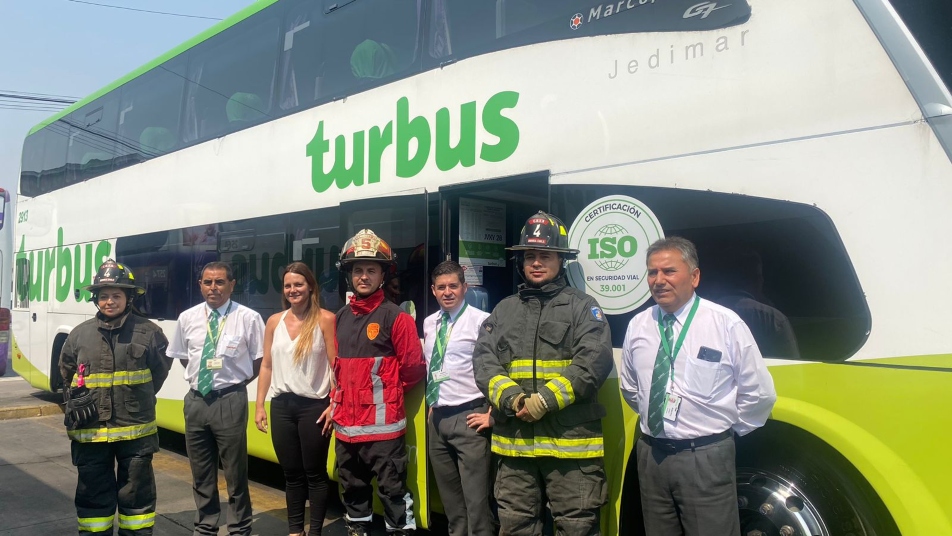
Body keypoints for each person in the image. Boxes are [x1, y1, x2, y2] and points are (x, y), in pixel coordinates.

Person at [619, 237, 777, 536]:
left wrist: (719, 433)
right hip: (652, 456)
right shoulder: (639, 325)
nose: (659, 280)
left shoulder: (724, 324)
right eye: (652, 272)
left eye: (669, 271)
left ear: (694, 276)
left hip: (704, 458)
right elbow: (630, 388)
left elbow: (759, 393)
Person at [473, 211, 614, 536]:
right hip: (515, 448)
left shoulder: (583, 307)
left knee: (577, 529)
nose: (537, 263)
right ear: (522, 262)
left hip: (570, 450)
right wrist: (513, 398)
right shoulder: (504, 310)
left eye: (545, 256)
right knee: (516, 528)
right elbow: (484, 361)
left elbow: (593, 362)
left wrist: (545, 401)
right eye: (530, 256)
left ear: (561, 260)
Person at [59, 259, 171, 535]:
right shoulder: (78, 335)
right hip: (91, 433)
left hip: (135, 432)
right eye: (104, 296)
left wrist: (133, 399)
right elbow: (67, 375)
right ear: (96, 299)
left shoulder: (150, 333)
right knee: (93, 496)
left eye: (116, 296)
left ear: (129, 298)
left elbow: (159, 373)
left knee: (136, 497)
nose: (109, 301)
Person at [331, 229, 426, 536]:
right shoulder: (340, 318)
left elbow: (412, 369)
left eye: (371, 270)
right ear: (349, 275)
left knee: (393, 493)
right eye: (357, 270)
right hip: (346, 428)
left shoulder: (397, 318)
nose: (363, 276)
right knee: (353, 492)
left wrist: (387, 394)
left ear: (383, 274)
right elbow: (337, 371)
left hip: (383, 431)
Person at [167, 261, 265, 536]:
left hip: (230, 400)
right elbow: (183, 357)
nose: (213, 288)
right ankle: (206, 525)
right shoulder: (187, 318)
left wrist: (234, 384)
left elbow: (259, 360)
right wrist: (203, 381)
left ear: (232, 285)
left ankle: (239, 527)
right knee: (201, 472)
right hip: (197, 401)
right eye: (208, 282)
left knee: (235, 472)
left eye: (220, 282)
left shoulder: (248, 318)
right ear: (200, 285)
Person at [254, 262, 338, 536]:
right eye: (288, 285)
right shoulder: (274, 321)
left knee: (315, 473)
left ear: (310, 286)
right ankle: (294, 531)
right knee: (291, 474)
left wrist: (334, 404)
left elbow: (336, 366)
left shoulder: (326, 319)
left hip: (314, 406)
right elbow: (266, 365)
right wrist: (259, 406)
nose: (293, 290)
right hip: (281, 407)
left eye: (299, 284)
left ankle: (314, 531)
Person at [423, 261, 494, 536]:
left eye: (453, 286)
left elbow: (498, 369)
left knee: (477, 505)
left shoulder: (482, 321)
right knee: (452, 506)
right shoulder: (430, 323)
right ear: (433, 290)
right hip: (438, 420)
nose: (447, 292)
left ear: (465, 287)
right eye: (441, 287)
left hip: (470, 418)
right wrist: (433, 404)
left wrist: (492, 413)